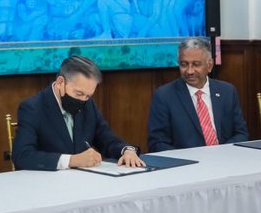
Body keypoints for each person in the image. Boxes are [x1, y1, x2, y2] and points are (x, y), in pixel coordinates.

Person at [12, 55, 145, 171]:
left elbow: (106, 137)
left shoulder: (88, 104)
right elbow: (22, 156)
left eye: (88, 96)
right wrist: (72, 160)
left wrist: (126, 150)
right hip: (48, 184)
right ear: (60, 83)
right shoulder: (33, 108)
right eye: (79, 93)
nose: (83, 100)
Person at [148, 37, 248, 151]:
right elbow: (157, 143)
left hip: (225, 157)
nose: (189, 71)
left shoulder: (227, 91)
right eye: (184, 64)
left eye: (196, 64)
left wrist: (220, 153)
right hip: (186, 161)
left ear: (209, 65)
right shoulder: (164, 96)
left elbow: (241, 134)